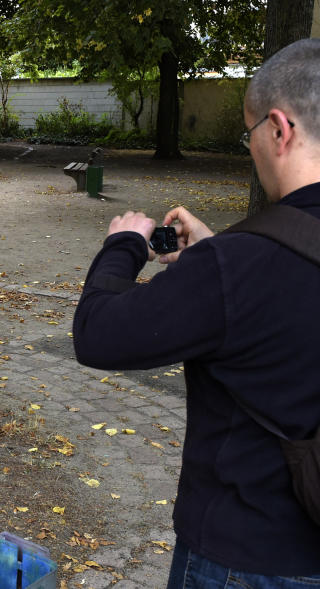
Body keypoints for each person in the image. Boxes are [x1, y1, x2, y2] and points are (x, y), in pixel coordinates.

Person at [73, 38, 320, 587]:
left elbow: (97, 335)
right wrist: (216, 251)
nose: (251, 148)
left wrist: (124, 246)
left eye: (249, 133)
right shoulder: (239, 262)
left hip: (245, 555)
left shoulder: (237, 268)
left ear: (280, 130)